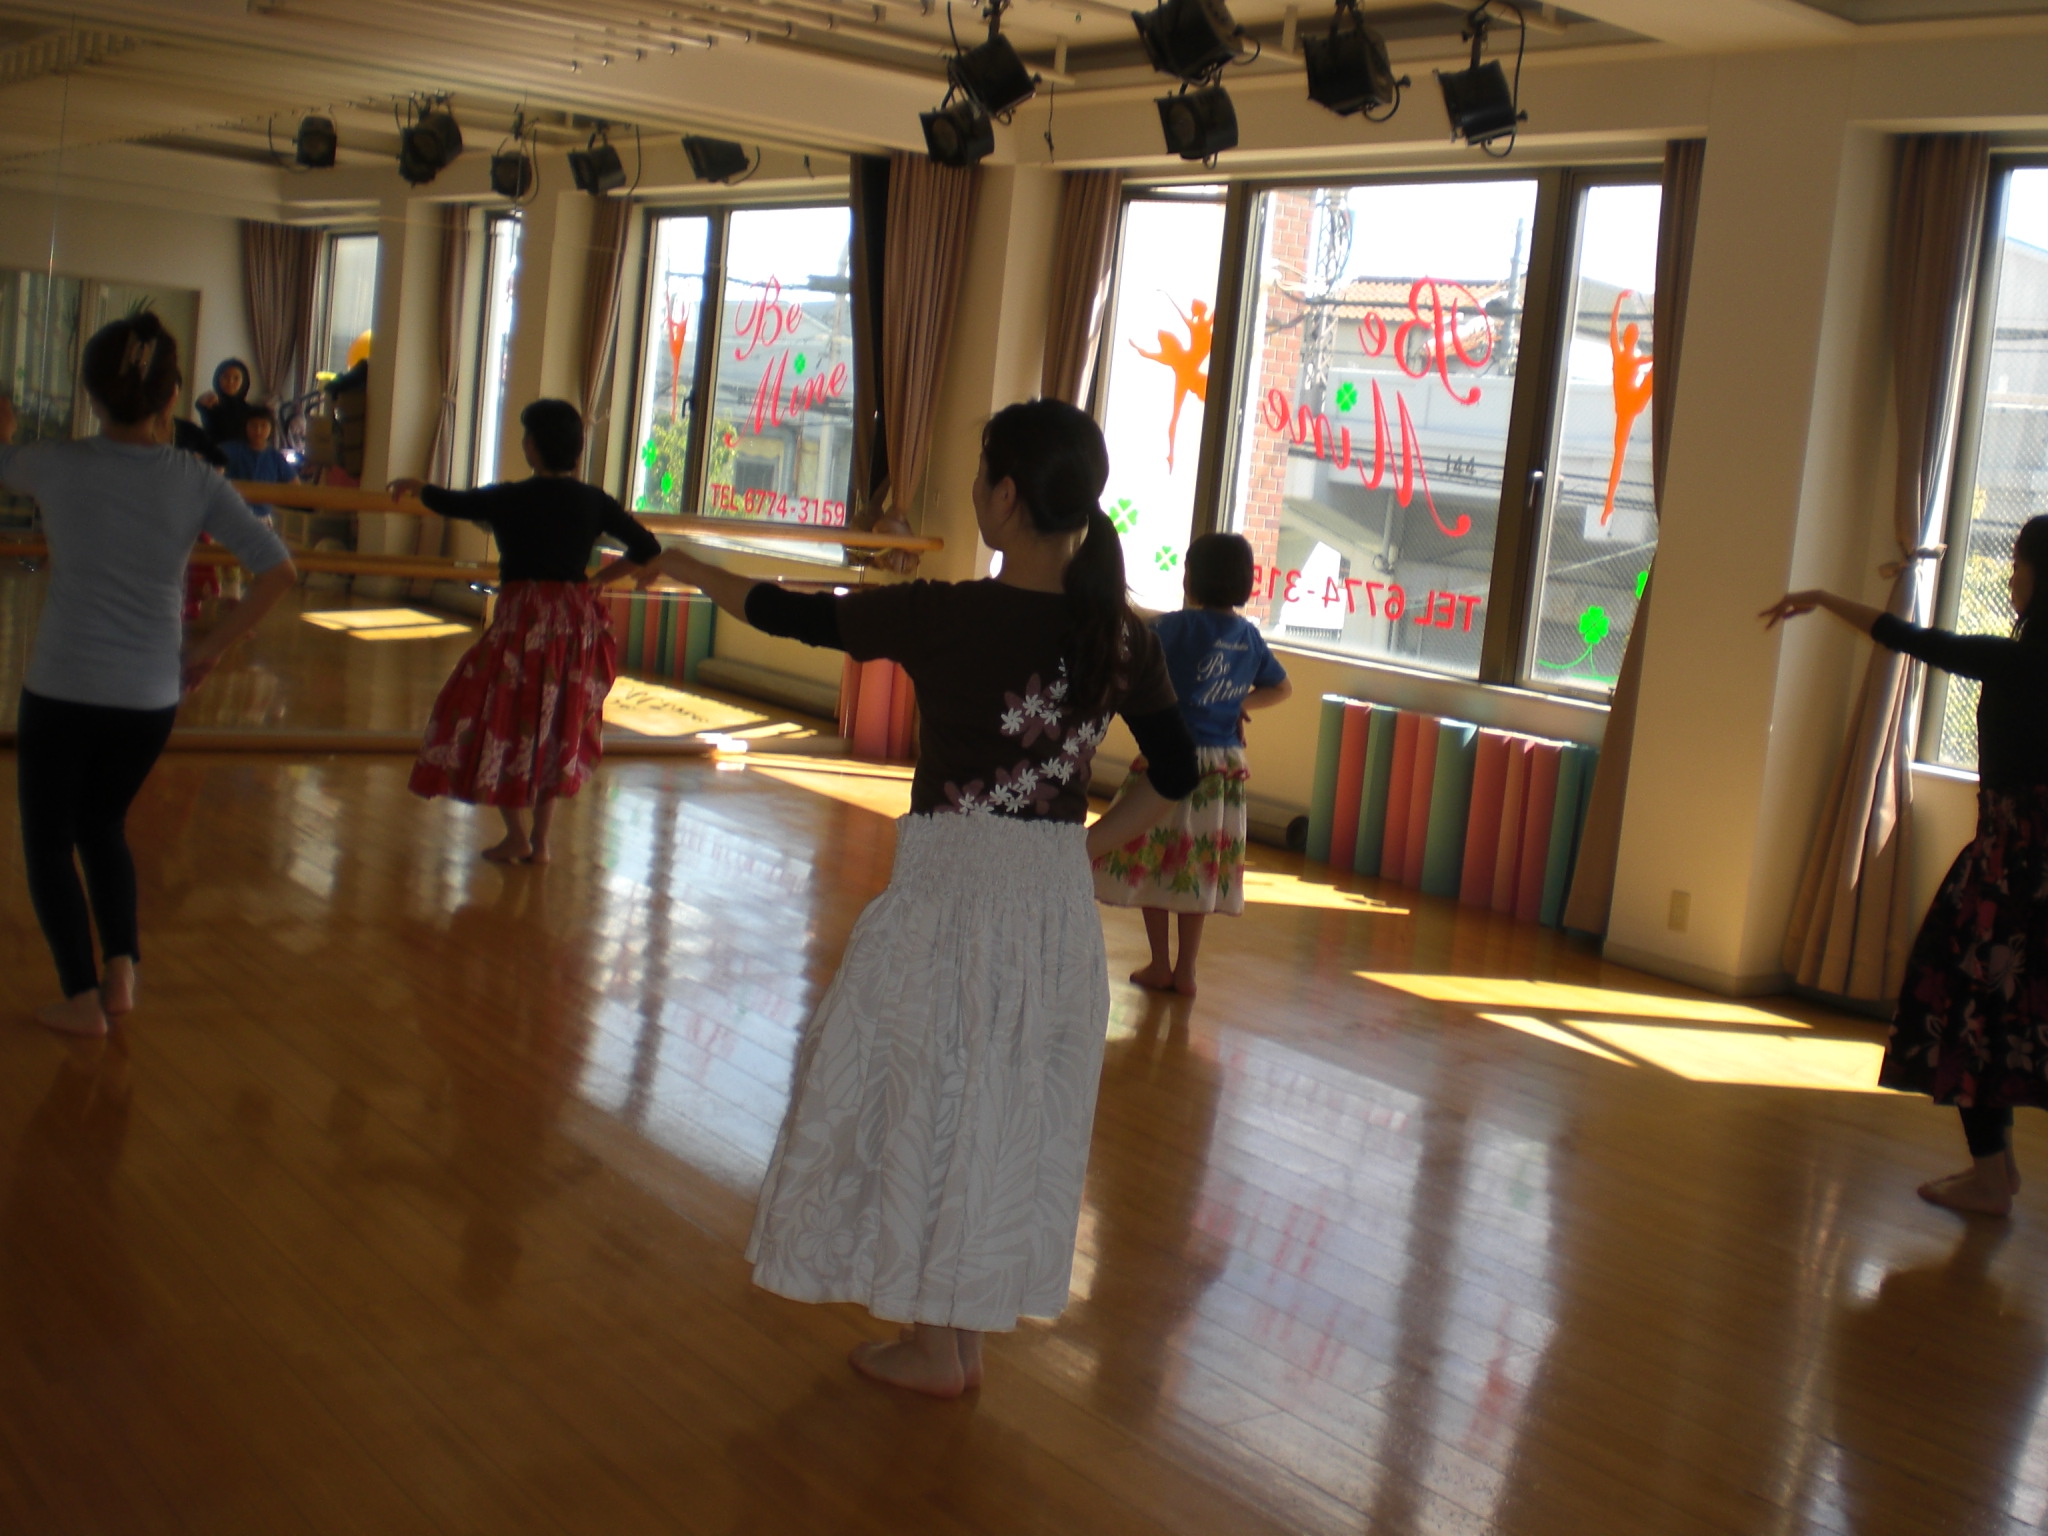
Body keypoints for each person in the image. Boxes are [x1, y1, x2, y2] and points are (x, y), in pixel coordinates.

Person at [643, 398, 1200, 1398]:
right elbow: (1176, 771)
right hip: (1049, 907)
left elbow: (783, 610)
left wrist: (682, 561)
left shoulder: (945, 615)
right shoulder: (1119, 633)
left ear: (1005, 497)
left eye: (982, 475)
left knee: (929, 1097)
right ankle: (957, 1335)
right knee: (997, 1108)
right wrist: (1083, 849)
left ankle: (938, 1348)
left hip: (951, 895)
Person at [0, 313, 297, 1038]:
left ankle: (80, 996)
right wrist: (211, 647)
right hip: (149, 696)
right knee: (103, 827)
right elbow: (277, 570)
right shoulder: (193, 478)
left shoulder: (57, 463)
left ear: (91, 394)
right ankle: (120, 972)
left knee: (49, 842)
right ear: (170, 397)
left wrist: (5, 428)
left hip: (64, 687)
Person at [1762, 516, 2048, 1217]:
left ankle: (1992, 1176)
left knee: (1968, 1010)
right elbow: (1914, 639)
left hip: (2008, 874)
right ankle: (1997, 1170)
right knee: (2005, 1019)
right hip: (2022, 870)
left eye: (2019, 564)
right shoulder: (2019, 659)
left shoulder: (2019, 664)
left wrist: (1823, 598)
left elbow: (1911, 639)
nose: (2012, 576)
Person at [389, 398, 661, 865]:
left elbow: (453, 502)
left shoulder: (509, 497)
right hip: (575, 623)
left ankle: (518, 836)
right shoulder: (592, 500)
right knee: (554, 725)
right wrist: (599, 580)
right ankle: (541, 842)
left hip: (525, 622)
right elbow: (647, 547)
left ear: (532, 446)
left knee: (502, 717)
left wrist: (418, 487)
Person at [1093, 532, 1291, 998]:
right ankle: (1186, 970)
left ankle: (1160, 964)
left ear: (1191, 578)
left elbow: (1130, 663)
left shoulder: (1170, 628)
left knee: (1154, 854)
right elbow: (1281, 688)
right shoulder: (1248, 636)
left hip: (1170, 758)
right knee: (1195, 865)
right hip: (1222, 770)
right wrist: (1240, 704)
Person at [221, 405, 294, 486]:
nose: (258, 431)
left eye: (263, 425)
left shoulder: (275, 457)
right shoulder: (230, 450)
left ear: (271, 428)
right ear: (246, 427)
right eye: (253, 425)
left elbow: (295, 485)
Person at [196, 358, 253, 449]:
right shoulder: (211, 405)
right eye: (225, 377)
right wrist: (202, 406)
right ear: (218, 379)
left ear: (244, 381)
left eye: (236, 378)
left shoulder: (251, 411)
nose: (230, 381)